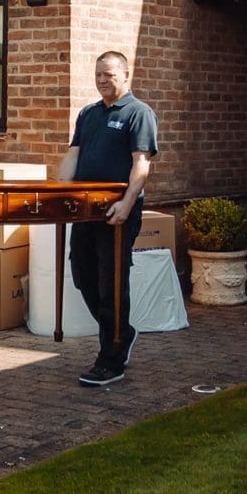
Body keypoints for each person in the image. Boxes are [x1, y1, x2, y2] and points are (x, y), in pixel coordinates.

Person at [56, 51, 158, 388]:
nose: (102, 80)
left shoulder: (139, 113)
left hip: (118, 213)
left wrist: (128, 203)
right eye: (98, 74)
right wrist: (59, 194)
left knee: (111, 282)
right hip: (85, 210)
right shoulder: (88, 114)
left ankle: (110, 358)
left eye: (109, 74)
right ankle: (121, 332)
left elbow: (141, 164)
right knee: (82, 274)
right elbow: (73, 156)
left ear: (126, 75)